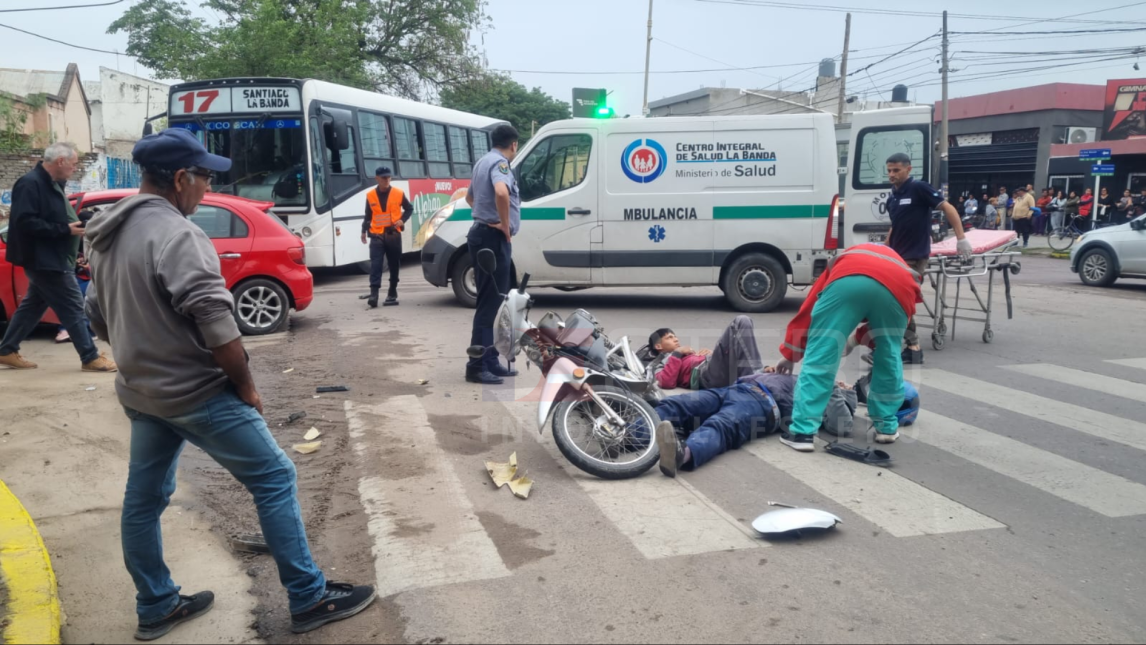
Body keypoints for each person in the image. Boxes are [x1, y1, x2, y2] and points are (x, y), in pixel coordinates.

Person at [83, 128, 375, 640]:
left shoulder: (106, 233)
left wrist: (140, 350)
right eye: (204, 177)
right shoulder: (178, 234)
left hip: (141, 392)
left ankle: (156, 604)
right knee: (275, 478)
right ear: (179, 179)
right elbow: (217, 323)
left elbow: (95, 316)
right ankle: (308, 598)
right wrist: (246, 387)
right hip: (196, 393)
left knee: (144, 498)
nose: (206, 186)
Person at [771, 243, 923, 452]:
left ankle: (802, 432)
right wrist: (854, 341)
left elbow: (808, 313)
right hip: (900, 287)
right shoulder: (897, 264)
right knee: (889, 356)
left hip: (848, 279)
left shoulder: (843, 259)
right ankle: (886, 427)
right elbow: (885, 328)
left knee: (822, 354)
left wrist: (790, 354)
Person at [0, 143, 116, 372]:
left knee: (34, 305)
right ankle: (90, 357)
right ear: (60, 161)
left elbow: (59, 214)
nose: (75, 169)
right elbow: (25, 223)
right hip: (43, 259)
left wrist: (81, 220)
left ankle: (6, 350)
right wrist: (64, 230)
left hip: (53, 256)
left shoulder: (52, 184)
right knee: (73, 305)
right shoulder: (30, 184)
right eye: (73, 164)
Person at [654, 367, 858, 477]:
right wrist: (765, 371)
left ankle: (682, 455)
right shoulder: (803, 377)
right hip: (734, 389)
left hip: (764, 403)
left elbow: (841, 426)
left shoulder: (827, 391)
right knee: (676, 404)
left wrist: (837, 388)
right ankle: (629, 434)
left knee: (721, 425)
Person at [883, 152, 970, 365]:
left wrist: (961, 238)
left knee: (900, 301)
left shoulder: (919, 188)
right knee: (892, 300)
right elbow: (896, 225)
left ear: (908, 169)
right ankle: (903, 346)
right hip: (896, 256)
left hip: (915, 256)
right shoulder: (893, 196)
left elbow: (947, 207)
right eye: (889, 171)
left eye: (896, 170)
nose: (892, 174)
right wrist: (884, 248)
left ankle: (912, 348)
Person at [465, 124, 522, 385]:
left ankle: (489, 360)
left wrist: (485, 214)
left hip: (483, 235)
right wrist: (503, 223)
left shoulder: (483, 162)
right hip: (492, 238)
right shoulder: (500, 164)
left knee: (495, 302)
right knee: (489, 304)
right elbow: (501, 192)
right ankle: (476, 365)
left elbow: (469, 198)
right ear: (513, 145)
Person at [648, 316, 763, 390]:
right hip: (706, 375)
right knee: (740, 322)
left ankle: (757, 375)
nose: (676, 339)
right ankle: (757, 378)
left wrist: (712, 355)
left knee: (742, 330)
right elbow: (667, 382)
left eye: (675, 336)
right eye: (669, 337)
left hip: (715, 368)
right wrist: (677, 353)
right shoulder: (660, 364)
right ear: (658, 346)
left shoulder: (684, 355)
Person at [360, 166, 413, 307]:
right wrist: (363, 231)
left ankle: (392, 291)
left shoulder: (398, 193)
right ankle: (374, 295)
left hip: (393, 234)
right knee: (376, 265)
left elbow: (409, 208)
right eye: (383, 177)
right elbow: (368, 215)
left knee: (394, 264)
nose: (387, 180)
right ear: (376, 178)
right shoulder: (370, 195)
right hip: (377, 235)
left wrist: (402, 220)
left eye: (388, 177)